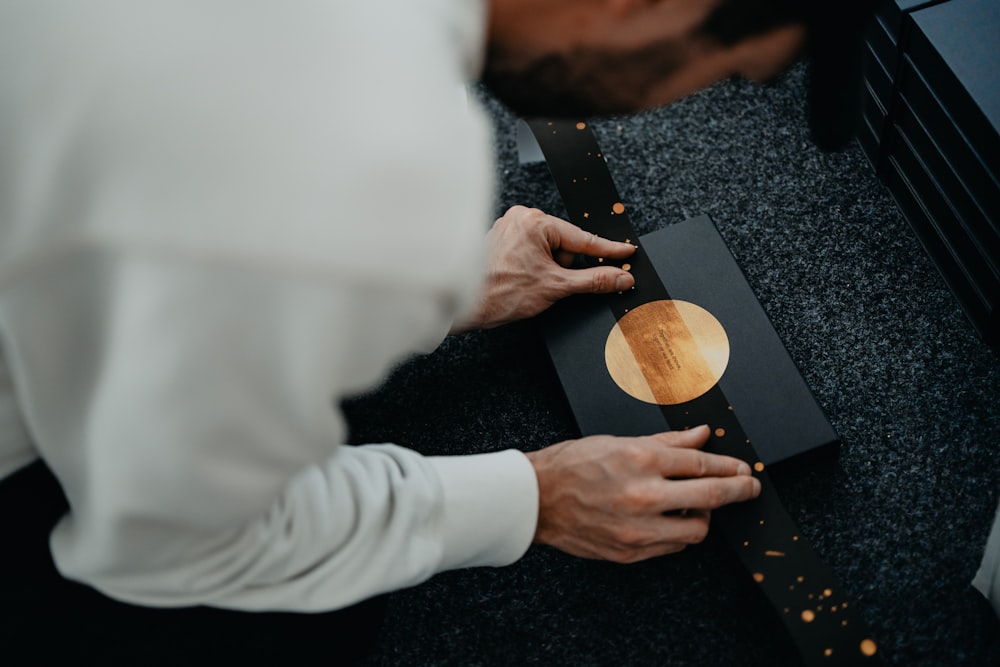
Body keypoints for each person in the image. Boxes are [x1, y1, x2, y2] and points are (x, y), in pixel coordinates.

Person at [0, 0, 876, 661]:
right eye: (724, 72)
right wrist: (532, 497)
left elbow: (161, 223)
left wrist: (427, 289)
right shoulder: (371, 134)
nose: (669, 102)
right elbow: (179, 534)